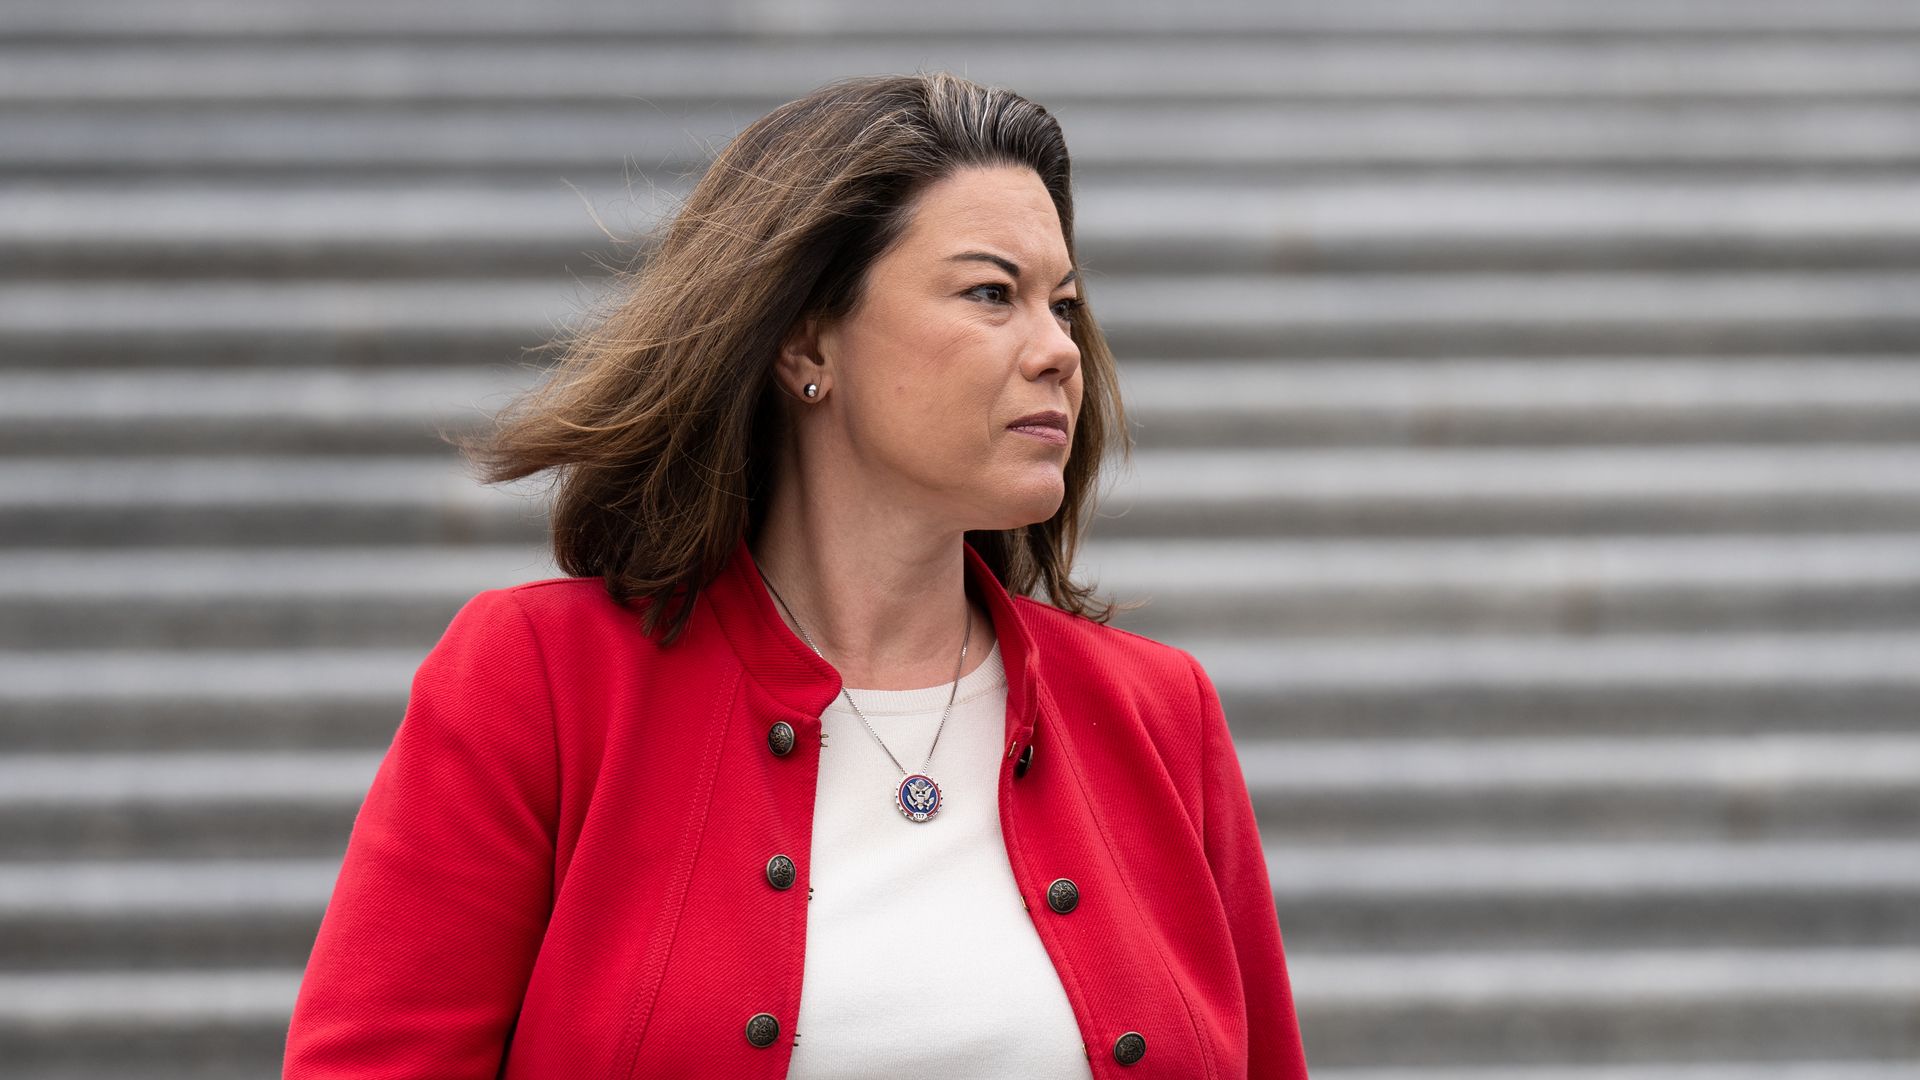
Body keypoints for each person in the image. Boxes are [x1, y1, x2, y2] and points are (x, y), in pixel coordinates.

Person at [282, 70, 1310, 1079]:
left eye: (1066, 305)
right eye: (993, 293)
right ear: (806, 338)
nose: (1059, 351)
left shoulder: (1160, 715)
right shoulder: (539, 681)